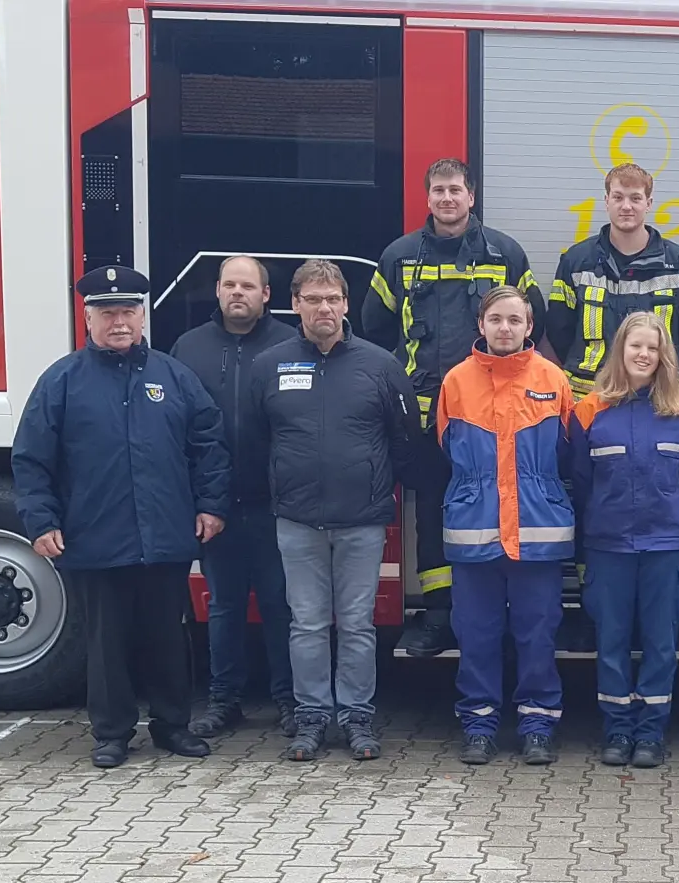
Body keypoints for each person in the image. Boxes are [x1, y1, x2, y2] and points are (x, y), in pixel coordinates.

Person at [12, 265, 230, 768]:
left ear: (142, 316)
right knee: (106, 643)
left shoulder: (173, 377)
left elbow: (209, 445)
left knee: (168, 637)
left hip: (166, 535)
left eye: (128, 311)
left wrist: (211, 505)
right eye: (107, 312)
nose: (119, 322)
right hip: (95, 538)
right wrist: (41, 521)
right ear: (88, 318)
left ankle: (173, 726)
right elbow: (32, 458)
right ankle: (111, 733)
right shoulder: (62, 381)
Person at [362, 158, 545, 658]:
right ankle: (440, 615)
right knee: (435, 508)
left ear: (471, 195)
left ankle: (491, 610)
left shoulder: (504, 252)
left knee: (493, 502)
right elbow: (375, 327)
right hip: (423, 414)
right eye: (438, 190)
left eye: (456, 190)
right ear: (428, 198)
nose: (447, 199)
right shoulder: (399, 256)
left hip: (492, 414)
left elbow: (535, 321)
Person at [246, 259, 419, 762]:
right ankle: (312, 717)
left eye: (334, 299)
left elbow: (403, 439)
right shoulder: (270, 366)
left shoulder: (381, 365)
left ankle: (358, 717)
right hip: (297, 520)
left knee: (358, 624)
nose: (325, 308)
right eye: (314, 299)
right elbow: (256, 440)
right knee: (306, 623)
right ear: (294, 304)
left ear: (346, 304)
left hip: (362, 520)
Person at [438, 286, 574, 767]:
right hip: (475, 530)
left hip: (538, 532)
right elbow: (446, 452)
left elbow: (565, 455)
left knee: (537, 633)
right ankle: (479, 724)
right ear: (481, 324)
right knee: (475, 632)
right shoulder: (455, 381)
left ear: (528, 326)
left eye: (514, 320)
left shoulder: (553, 379)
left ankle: (537, 725)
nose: (504, 328)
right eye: (495, 319)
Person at [170, 255, 300, 739]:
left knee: (280, 605)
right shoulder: (189, 349)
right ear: (218, 291)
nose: (238, 293)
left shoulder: (292, 346)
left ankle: (290, 700)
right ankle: (224, 701)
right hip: (217, 506)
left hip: (276, 504)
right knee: (221, 607)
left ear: (267, 295)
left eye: (249, 285)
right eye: (230, 284)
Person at [569, 312, 679, 769]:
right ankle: (617, 729)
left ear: (664, 355)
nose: (643, 355)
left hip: (666, 546)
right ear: (620, 351)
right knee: (612, 640)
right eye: (635, 346)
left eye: (652, 347)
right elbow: (581, 479)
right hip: (608, 547)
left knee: (661, 643)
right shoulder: (589, 410)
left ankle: (650, 732)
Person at [548, 163, 679, 398]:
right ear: (606, 201)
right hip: (589, 397)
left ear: (649, 204)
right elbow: (559, 328)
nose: (626, 206)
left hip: (655, 396)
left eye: (636, 198)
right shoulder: (576, 261)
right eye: (618, 197)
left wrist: (661, 372)